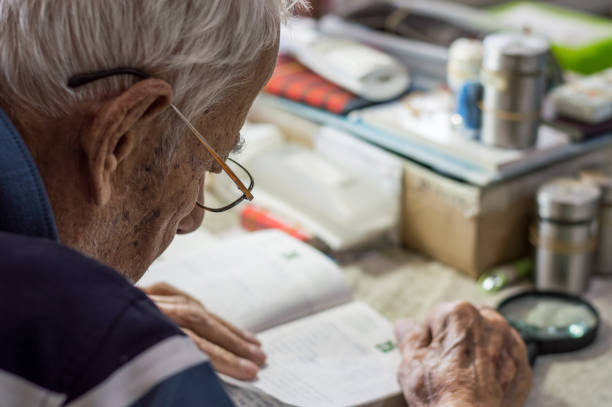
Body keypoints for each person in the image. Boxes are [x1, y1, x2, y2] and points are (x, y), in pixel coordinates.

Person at [0, 1, 532, 406]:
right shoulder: (95, 347)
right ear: (118, 138)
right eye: (210, 164)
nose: (190, 221)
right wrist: (461, 397)